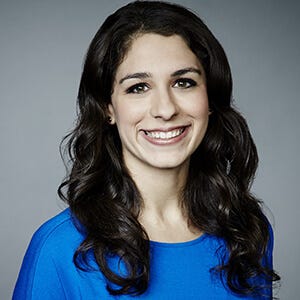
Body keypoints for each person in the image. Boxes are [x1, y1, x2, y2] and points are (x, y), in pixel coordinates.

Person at [13, 1, 280, 299]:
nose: (165, 109)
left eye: (183, 82)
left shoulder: (246, 234)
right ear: (108, 108)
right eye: (138, 87)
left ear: (210, 98)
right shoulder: (58, 250)